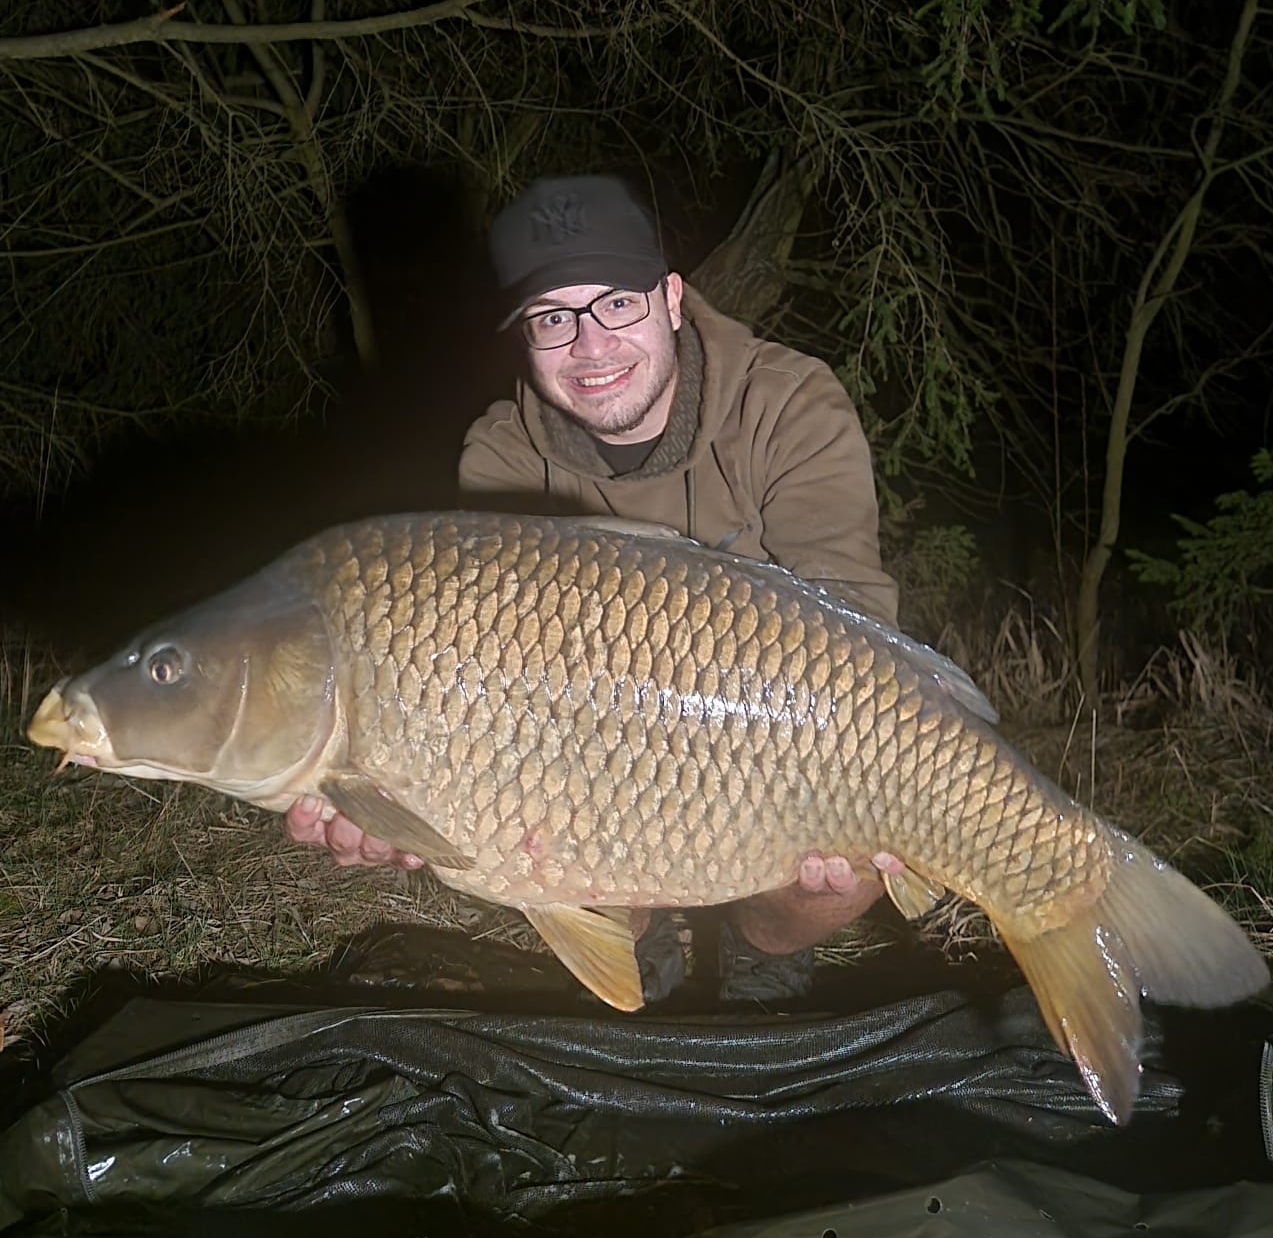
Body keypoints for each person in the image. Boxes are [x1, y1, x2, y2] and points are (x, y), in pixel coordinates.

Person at [286, 172, 900, 999]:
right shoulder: (500, 459)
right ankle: (643, 959)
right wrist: (394, 790)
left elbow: (856, 626)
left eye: (616, 303)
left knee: (848, 867)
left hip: (774, 735)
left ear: (673, 298)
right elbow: (487, 681)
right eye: (553, 318)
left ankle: (764, 954)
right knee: (531, 814)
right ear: (523, 338)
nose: (591, 345)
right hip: (605, 738)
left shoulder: (788, 406)